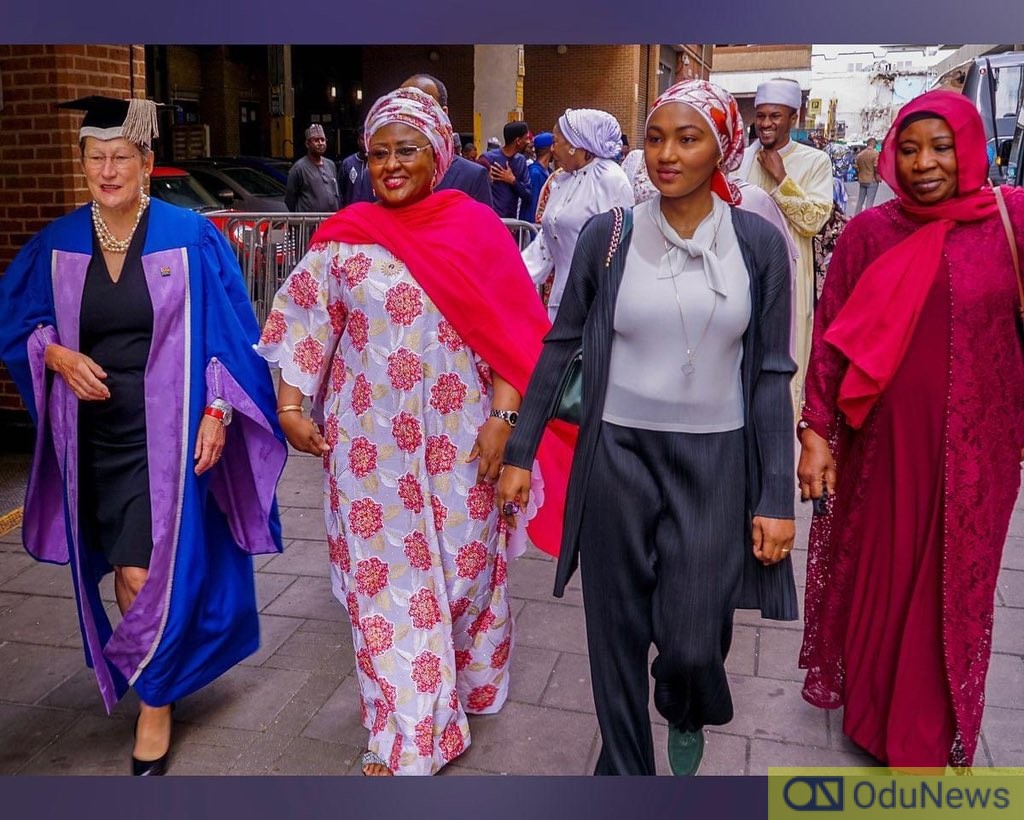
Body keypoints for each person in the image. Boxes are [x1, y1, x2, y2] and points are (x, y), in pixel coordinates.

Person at [256, 87, 573, 776]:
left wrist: (504, 419)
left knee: (461, 575)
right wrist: (290, 408)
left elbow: (511, 336)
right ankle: (406, 735)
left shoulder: (478, 229)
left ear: (437, 155)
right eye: (377, 154)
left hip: (463, 441)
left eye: (406, 151)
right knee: (388, 590)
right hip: (368, 451)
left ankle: (462, 687)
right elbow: (303, 323)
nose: (390, 166)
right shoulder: (345, 238)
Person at [498, 80, 798, 777]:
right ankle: (628, 773)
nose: (666, 153)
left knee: (694, 641)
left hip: (717, 464)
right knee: (616, 632)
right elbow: (559, 344)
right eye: (656, 137)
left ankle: (685, 704)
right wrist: (521, 446)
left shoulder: (756, 242)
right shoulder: (613, 236)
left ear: (721, 147)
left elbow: (771, 374)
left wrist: (776, 495)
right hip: (617, 456)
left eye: (687, 137)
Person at [0, 96, 286, 775]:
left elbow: (236, 336)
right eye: (95, 157)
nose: (107, 169)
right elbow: (18, 322)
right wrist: (54, 354)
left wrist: (219, 409)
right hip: (90, 439)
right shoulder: (58, 242)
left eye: (120, 156)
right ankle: (162, 666)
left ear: (146, 163)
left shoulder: (191, 235)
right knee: (127, 568)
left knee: (142, 569)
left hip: (167, 432)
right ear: (82, 165)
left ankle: (154, 703)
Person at [797, 89, 1024, 770]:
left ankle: (926, 730)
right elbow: (832, 338)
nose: (925, 163)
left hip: (981, 446)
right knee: (883, 574)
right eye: (910, 148)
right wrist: (815, 432)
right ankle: (871, 716)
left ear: (973, 148)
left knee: (955, 584)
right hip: (883, 446)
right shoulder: (871, 233)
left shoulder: (1010, 220)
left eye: (943, 146)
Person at [738, 78, 833, 409]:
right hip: (741, 271)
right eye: (761, 115)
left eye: (774, 116)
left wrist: (781, 178)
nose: (765, 124)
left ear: (794, 117)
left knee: (786, 352)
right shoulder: (743, 159)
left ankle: (784, 433)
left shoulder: (815, 162)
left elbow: (813, 221)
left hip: (790, 276)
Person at [522, 109, 634, 321]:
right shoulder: (562, 180)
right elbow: (545, 243)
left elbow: (620, 246)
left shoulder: (610, 179)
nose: (552, 149)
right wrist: (513, 276)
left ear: (576, 144)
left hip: (594, 304)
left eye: (556, 142)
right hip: (560, 299)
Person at [401, 74, 493, 208]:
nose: (411, 115)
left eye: (421, 107)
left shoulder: (472, 177)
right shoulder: (377, 176)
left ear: (443, 113)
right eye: (402, 106)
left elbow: (484, 227)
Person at [480, 121, 533, 219]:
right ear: (518, 141)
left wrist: (513, 181)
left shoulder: (521, 161)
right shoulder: (488, 159)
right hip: (491, 221)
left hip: (512, 226)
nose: (529, 142)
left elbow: (528, 195)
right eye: (526, 138)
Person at [285, 123, 340, 213]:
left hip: (330, 221)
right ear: (307, 144)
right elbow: (290, 200)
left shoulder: (331, 165)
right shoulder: (299, 168)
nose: (320, 143)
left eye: (322, 140)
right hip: (309, 223)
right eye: (316, 140)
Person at [522, 131, 553, 224]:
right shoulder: (534, 173)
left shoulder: (548, 171)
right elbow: (533, 206)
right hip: (533, 228)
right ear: (550, 148)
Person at [340, 130, 375, 206]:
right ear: (358, 141)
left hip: (373, 212)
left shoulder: (379, 164)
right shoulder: (347, 163)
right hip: (351, 212)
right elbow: (341, 192)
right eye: (362, 139)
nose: (365, 142)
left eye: (368, 139)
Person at [853, 137, 880, 214]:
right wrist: (877, 175)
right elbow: (876, 166)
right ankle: (867, 218)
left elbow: (856, 166)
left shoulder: (859, 155)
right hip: (872, 179)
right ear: (873, 143)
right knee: (869, 202)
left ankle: (856, 217)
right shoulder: (875, 154)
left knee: (860, 201)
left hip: (862, 179)